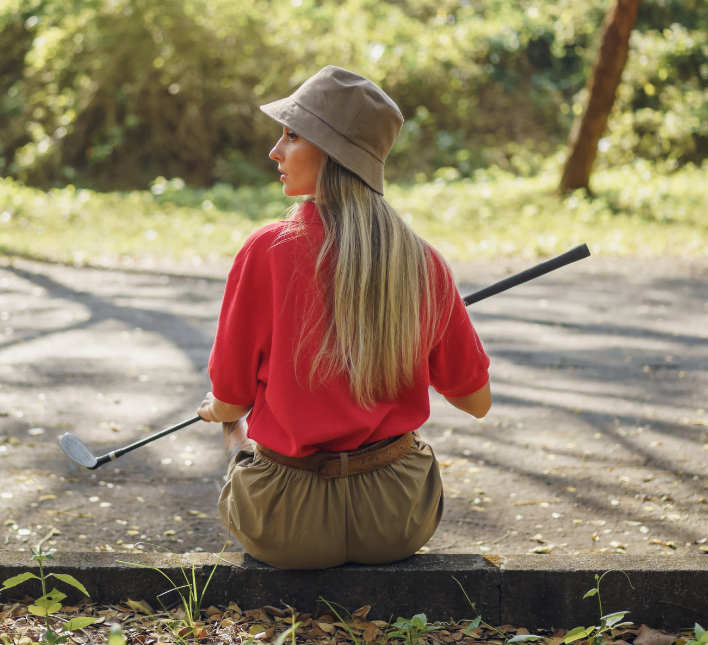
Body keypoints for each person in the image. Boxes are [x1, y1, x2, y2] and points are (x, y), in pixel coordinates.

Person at [196, 65, 491, 569]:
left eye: (291, 135)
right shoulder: (421, 262)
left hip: (285, 526)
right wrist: (423, 334)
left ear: (332, 153)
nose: (275, 151)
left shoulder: (268, 250)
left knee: (236, 433)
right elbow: (475, 402)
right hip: (396, 519)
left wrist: (220, 415)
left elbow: (232, 398)